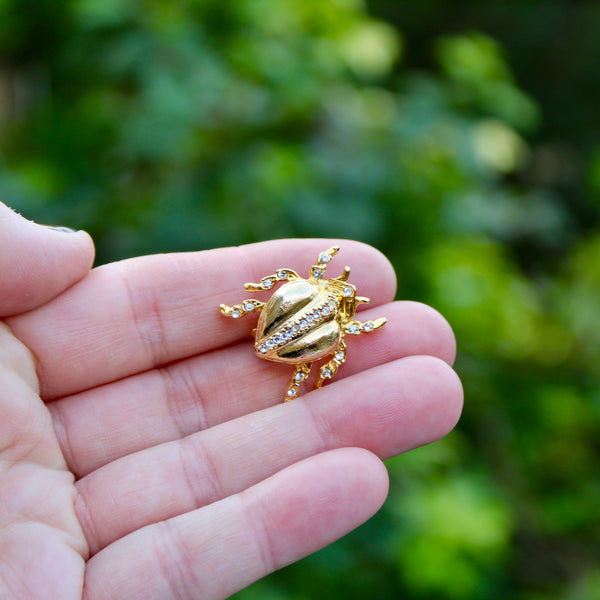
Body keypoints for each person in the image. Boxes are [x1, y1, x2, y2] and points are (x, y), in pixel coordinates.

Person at [0, 201, 462, 599]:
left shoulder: (315, 297)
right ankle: (272, 347)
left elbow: (309, 303)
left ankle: (257, 327)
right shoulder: (328, 313)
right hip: (296, 336)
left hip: (293, 327)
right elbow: (331, 329)